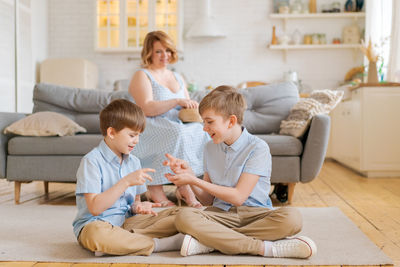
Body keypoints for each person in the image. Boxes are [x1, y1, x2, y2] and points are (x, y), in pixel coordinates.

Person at [164, 86, 317, 258]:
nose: (204, 128)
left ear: (231, 121)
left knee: (292, 218)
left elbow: (238, 197)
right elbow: (208, 200)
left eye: (209, 122)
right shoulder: (209, 147)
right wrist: (190, 176)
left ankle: (210, 241)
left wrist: (194, 181)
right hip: (221, 215)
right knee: (184, 217)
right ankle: (265, 248)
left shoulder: (258, 147)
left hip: (256, 215)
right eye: (203, 122)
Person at [72, 99, 185, 256]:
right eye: (132, 135)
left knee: (178, 215)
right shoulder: (91, 161)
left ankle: (120, 244)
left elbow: (134, 203)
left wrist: (138, 207)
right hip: (97, 224)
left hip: (127, 222)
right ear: (111, 133)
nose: (136, 141)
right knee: (96, 234)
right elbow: (95, 208)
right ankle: (161, 244)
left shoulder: (134, 162)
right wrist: (125, 182)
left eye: (138, 135)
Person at [129, 30, 209, 207]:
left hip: (178, 121)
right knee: (176, 132)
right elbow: (146, 107)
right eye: (159, 51)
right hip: (152, 123)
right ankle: (156, 190)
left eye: (168, 51)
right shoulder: (142, 75)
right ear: (149, 53)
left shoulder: (177, 77)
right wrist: (176, 101)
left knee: (201, 131)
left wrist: (190, 105)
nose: (165, 55)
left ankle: (185, 186)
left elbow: (185, 102)